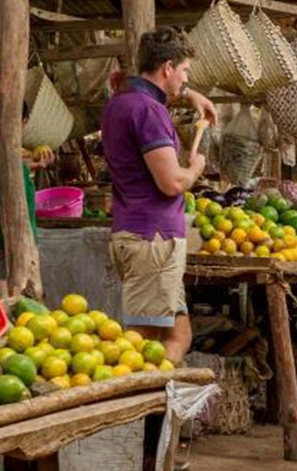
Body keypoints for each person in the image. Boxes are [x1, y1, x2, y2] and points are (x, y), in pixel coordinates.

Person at [101, 27, 217, 365]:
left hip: (138, 235)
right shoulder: (149, 112)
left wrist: (192, 95)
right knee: (140, 344)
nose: (185, 79)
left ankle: (160, 415)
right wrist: (195, 168)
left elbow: (142, 85)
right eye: (184, 72)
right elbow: (171, 183)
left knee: (179, 336)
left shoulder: (120, 102)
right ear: (167, 67)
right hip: (152, 240)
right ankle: (134, 411)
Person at [0, 101, 56, 296]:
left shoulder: (14, 158)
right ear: (22, 121)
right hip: (9, 252)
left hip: (19, 249)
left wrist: (35, 165)